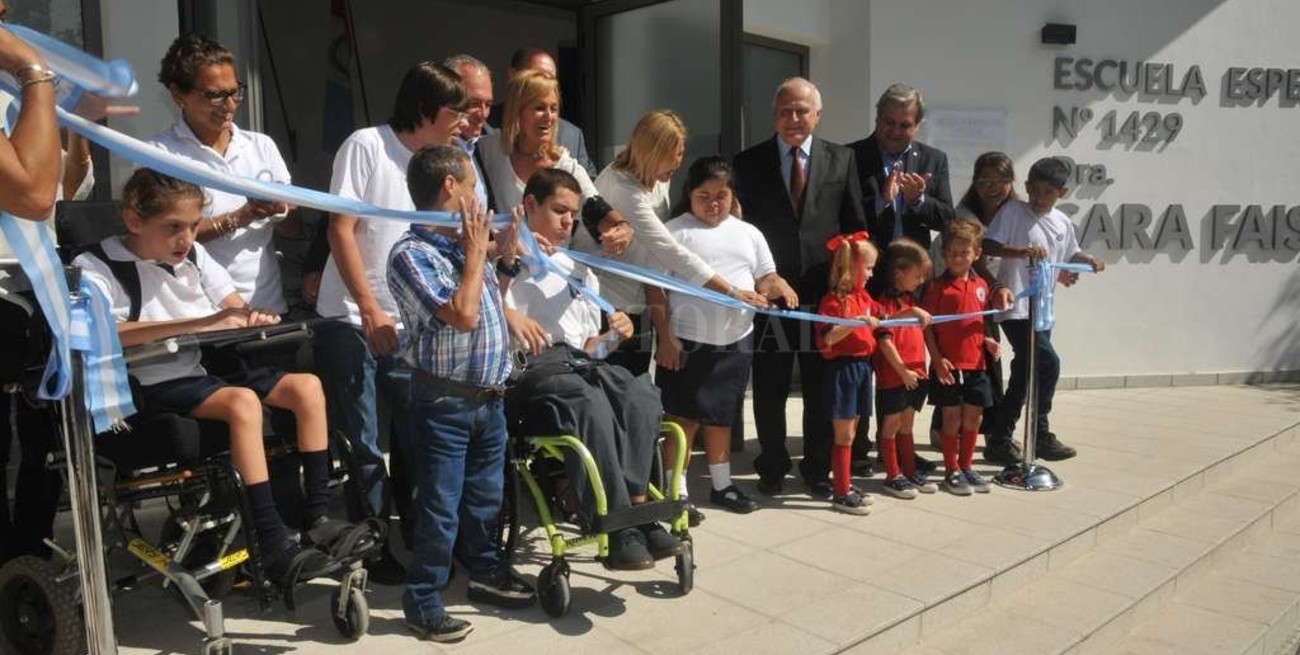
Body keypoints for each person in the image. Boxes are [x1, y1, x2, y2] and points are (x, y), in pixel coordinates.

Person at [72, 168, 359, 583]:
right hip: (144, 384)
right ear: (134, 220)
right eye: (172, 228)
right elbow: (106, 333)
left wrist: (249, 315)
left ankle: (316, 517)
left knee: (307, 387)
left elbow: (231, 307)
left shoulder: (193, 256)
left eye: (191, 226)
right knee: (242, 403)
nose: (186, 239)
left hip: (202, 366)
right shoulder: (95, 265)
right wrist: (202, 322)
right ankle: (271, 539)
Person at [314, 60, 468, 582]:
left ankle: (415, 534)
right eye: (455, 111)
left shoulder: (443, 162)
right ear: (425, 109)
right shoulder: (365, 146)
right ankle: (372, 545)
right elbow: (341, 230)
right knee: (363, 441)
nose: (464, 122)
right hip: (352, 320)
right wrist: (369, 308)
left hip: (413, 327)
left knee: (415, 437)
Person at [387, 145, 534, 643]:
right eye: (472, 186)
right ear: (450, 187)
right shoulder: (411, 255)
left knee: (485, 500)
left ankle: (486, 570)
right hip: (444, 404)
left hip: (488, 399)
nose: (478, 198)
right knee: (440, 507)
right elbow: (464, 314)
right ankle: (423, 600)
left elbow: (494, 302)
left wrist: (505, 259)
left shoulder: (463, 248)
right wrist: (478, 254)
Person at [505, 167, 683, 569]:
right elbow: (485, 313)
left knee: (639, 391)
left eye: (573, 213)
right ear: (530, 205)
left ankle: (639, 509)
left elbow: (589, 348)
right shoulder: (506, 256)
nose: (569, 221)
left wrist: (613, 335)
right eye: (559, 211)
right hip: (533, 372)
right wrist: (506, 305)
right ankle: (614, 522)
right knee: (587, 400)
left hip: (579, 364)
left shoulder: (579, 269)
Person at [733, 77, 868, 499]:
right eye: (785, 111)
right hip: (771, 295)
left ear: (818, 115)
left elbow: (855, 225)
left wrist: (850, 277)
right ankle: (771, 466)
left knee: (818, 386)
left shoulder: (841, 160)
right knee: (770, 386)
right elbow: (739, 230)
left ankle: (816, 468)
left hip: (822, 298)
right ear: (774, 115)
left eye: (802, 111)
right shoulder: (748, 162)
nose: (794, 119)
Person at [651, 156, 796, 519]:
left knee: (721, 417)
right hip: (687, 341)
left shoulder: (749, 233)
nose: (714, 204)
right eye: (704, 196)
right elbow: (655, 292)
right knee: (682, 419)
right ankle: (676, 491)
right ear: (689, 193)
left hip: (736, 341)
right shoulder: (674, 232)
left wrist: (778, 285)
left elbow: (765, 277)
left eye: (722, 196)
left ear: (733, 196)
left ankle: (721, 484)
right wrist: (666, 338)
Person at [583, 110, 765, 376]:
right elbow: (671, 251)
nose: (678, 163)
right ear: (651, 153)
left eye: (681, 153)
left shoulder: (656, 177)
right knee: (613, 389)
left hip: (641, 301)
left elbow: (668, 225)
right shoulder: (625, 190)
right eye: (673, 155)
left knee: (635, 393)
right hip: (609, 305)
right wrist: (730, 291)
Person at [150, 34, 293, 315]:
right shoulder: (159, 154)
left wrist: (280, 210)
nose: (229, 105)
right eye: (215, 95)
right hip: (198, 316)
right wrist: (243, 216)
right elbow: (162, 238)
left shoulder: (261, 146)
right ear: (178, 95)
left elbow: (295, 228)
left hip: (265, 310)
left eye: (235, 91)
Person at [0, 16, 71, 565]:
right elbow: (34, 194)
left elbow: (54, 186)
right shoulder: (22, 78)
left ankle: (25, 567)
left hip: (30, 294)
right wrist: (33, 70)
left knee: (45, 444)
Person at [984, 157, 1105, 462]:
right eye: (1034, 191)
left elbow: (1070, 252)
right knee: (1048, 362)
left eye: (1047, 193)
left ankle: (1000, 438)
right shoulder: (1013, 211)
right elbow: (989, 246)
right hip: (1016, 306)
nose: (1039, 198)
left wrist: (1086, 260)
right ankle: (1039, 432)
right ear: (1026, 187)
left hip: (1042, 309)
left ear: (1061, 193)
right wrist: (1022, 252)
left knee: (1026, 372)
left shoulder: (1062, 221)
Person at [947, 152, 1019, 463]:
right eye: (984, 181)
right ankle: (952, 428)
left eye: (1000, 181)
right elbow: (972, 259)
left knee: (993, 360)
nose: (991, 188)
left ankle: (993, 429)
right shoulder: (965, 213)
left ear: (1011, 182)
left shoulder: (1018, 210)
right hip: (972, 292)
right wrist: (993, 287)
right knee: (971, 357)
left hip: (1008, 292)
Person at [922, 219, 1002, 495]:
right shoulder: (937, 287)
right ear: (945, 254)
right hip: (949, 365)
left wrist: (988, 341)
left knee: (974, 418)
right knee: (951, 419)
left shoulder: (981, 286)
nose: (958, 258)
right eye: (953, 253)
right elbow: (928, 327)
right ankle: (951, 470)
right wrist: (937, 358)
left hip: (976, 364)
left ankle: (967, 466)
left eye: (964, 253)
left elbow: (980, 321)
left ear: (976, 253)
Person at [815, 231, 880, 514]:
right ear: (852, 268)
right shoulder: (833, 301)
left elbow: (883, 318)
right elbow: (827, 339)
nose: (871, 273)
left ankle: (846, 483)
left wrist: (915, 311)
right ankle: (841, 492)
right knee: (843, 434)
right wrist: (856, 322)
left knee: (852, 433)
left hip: (863, 367)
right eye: (868, 267)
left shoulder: (864, 297)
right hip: (843, 370)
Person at [849, 83, 954, 250]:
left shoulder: (934, 159)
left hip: (914, 269)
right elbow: (840, 217)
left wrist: (917, 201)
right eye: (889, 122)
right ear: (877, 119)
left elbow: (947, 220)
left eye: (905, 125)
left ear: (917, 126)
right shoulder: (850, 156)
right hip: (866, 268)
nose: (895, 132)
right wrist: (881, 202)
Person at [871, 239, 937, 499]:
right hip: (896, 374)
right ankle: (893, 475)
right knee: (892, 423)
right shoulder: (885, 303)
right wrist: (902, 371)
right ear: (899, 271)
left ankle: (909, 470)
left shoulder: (911, 300)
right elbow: (884, 338)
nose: (921, 280)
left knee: (908, 423)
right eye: (917, 275)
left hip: (917, 371)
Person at [487, 45, 596, 178]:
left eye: (550, 79)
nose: (544, 85)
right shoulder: (485, 133)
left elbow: (590, 189)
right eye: (535, 77)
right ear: (512, 76)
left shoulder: (572, 136)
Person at [444, 54, 496, 210]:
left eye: (488, 104)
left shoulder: (487, 146)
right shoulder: (427, 151)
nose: (484, 113)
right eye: (474, 103)